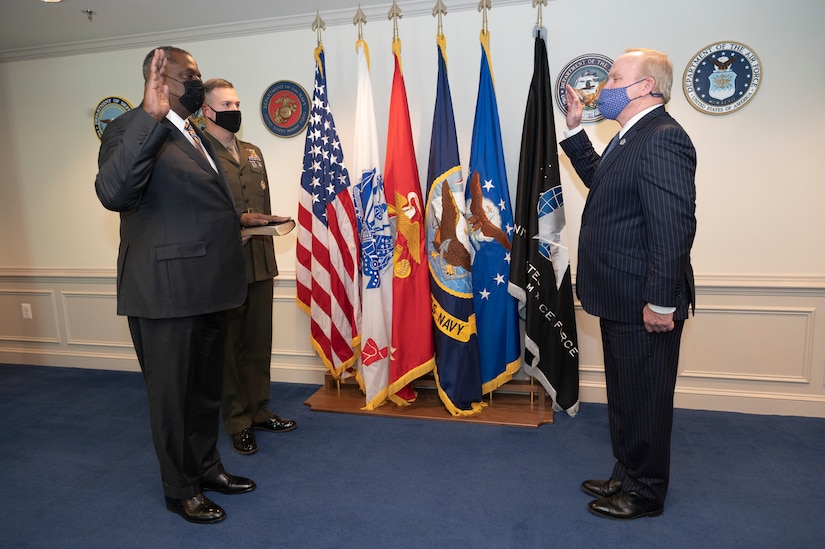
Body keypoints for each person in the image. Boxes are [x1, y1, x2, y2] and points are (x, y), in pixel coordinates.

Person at [94, 47, 272, 524]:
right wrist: (149, 118)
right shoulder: (128, 128)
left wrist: (239, 217)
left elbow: (186, 203)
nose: (197, 82)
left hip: (209, 285)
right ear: (161, 78)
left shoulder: (190, 131)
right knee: (172, 398)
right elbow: (115, 193)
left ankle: (207, 468)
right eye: (189, 75)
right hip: (165, 290)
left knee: (203, 394)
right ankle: (180, 489)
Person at [560, 48, 697, 520]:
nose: (604, 85)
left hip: (645, 300)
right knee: (626, 395)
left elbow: (672, 227)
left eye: (615, 77)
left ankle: (645, 491)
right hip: (620, 296)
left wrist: (661, 301)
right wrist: (577, 128)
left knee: (646, 397)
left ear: (643, 88)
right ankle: (626, 473)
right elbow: (603, 185)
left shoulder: (662, 138)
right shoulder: (629, 137)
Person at [200, 78, 297, 456]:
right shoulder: (197, 152)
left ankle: (259, 410)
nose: (234, 110)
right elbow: (197, 211)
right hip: (222, 265)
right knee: (230, 348)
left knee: (258, 343)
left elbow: (260, 202)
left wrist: (267, 222)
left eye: (236, 103)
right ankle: (237, 421)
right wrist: (231, 228)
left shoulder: (252, 151)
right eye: (225, 105)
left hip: (259, 260)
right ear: (207, 111)